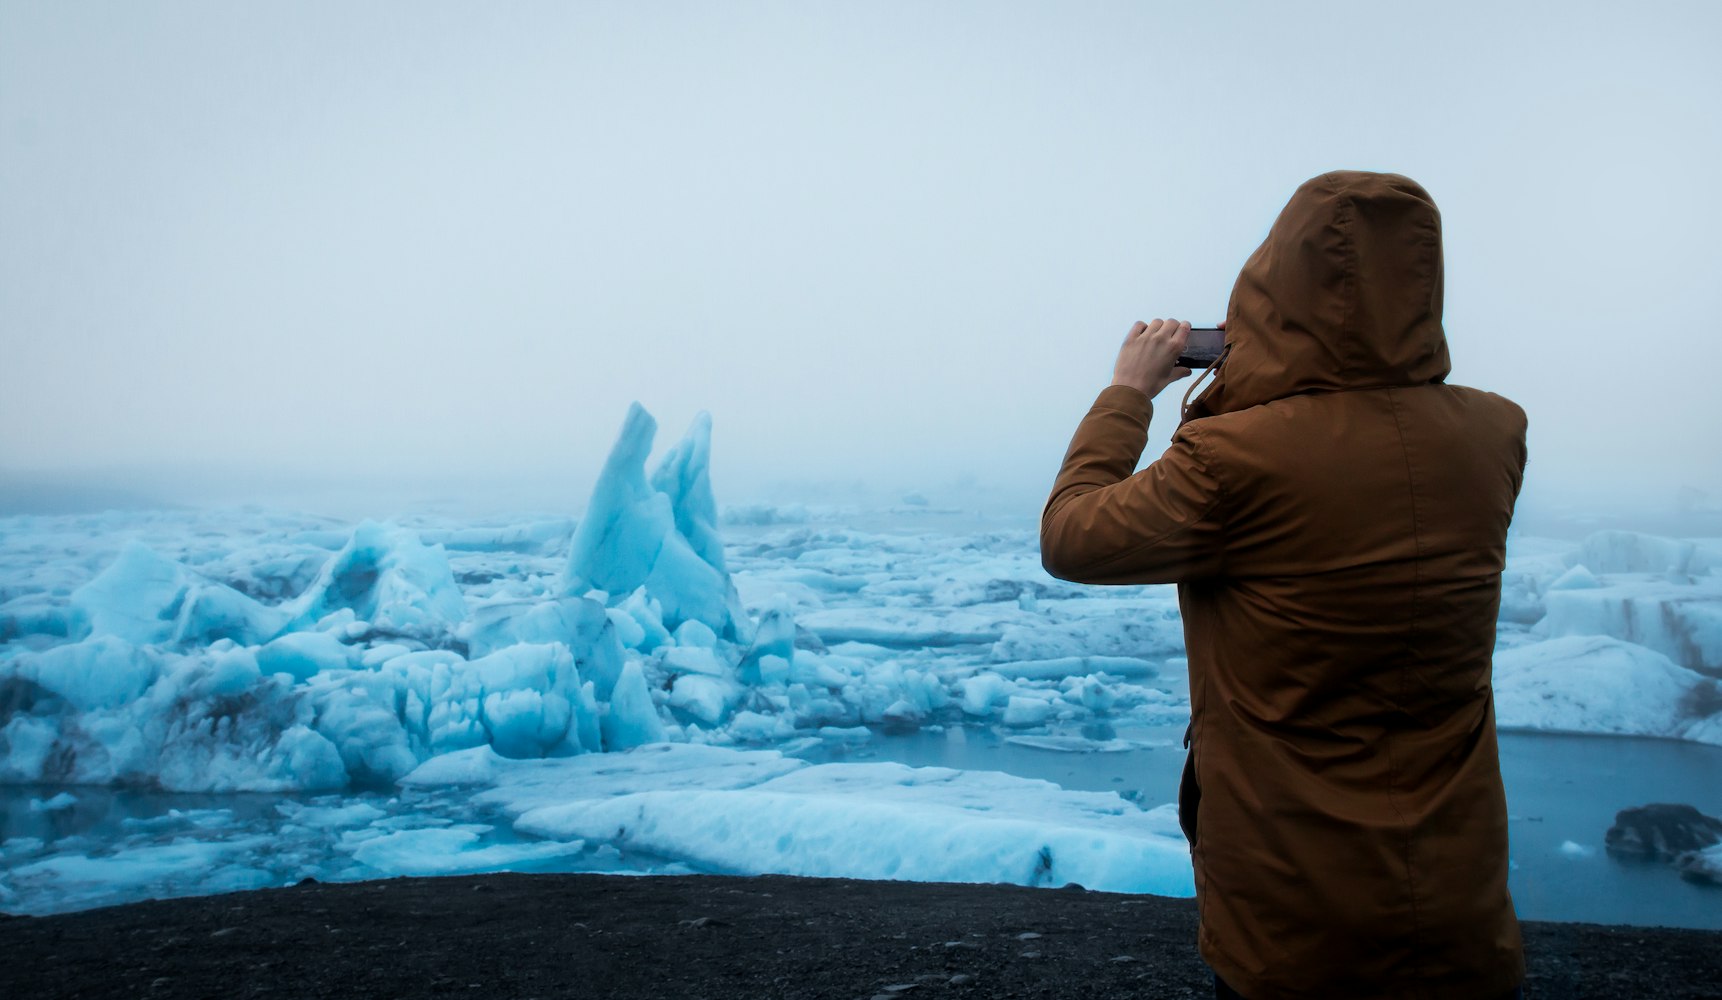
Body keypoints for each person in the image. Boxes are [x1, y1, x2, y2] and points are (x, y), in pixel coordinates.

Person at [1039, 170, 1527, 1000]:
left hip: (1296, 919)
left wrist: (1131, 392)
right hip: (1456, 907)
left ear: (1273, 287)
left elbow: (1073, 536)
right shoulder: (1494, 434)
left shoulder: (1235, 460)